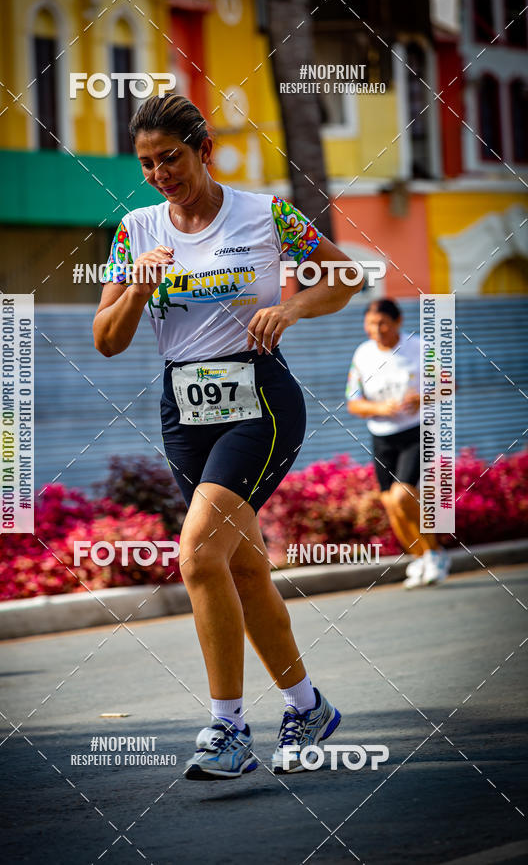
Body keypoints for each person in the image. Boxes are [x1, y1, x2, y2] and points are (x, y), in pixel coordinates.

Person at [93, 94, 360, 780]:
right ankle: (307, 707)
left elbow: (347, 276)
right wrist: (135, 291)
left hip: (260, 400)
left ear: (203, 148)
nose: (160, 174)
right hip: (184, 409)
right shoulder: (135, 231)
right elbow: (107, 341)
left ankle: (228, 727)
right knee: (240, 567)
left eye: (171, 158)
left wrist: (289, 308)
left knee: (198, 558)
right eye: (148, 164)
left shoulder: (264, 215)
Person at [346, 298, 451, 588]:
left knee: (404, 495)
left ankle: (435, 552)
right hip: (382, 437)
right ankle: (420, 557)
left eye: (382, 323)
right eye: (370, 323)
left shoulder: (419, 347)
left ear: (398, 322)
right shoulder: (362, 354)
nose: (376, 329)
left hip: (417, 430)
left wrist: (422, 398)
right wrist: (381, 409)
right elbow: (353, 403)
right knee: (391, 502)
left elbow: (449, 384)